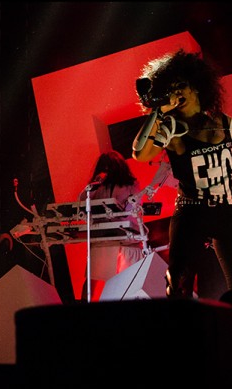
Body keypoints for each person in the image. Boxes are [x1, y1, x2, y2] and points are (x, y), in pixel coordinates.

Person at [132, 49, 232, 298]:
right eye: (171, 89)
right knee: (178, 284)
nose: (177, 94)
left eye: (181, 86)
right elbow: (140, 154)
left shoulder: (226, 123)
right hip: (192, 212)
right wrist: (157, 110)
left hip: (228, 209)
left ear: (197, 87)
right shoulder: (172, 128)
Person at [80, 150, 144, 301]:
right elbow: (82, 204)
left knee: (126, 283)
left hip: (125, 240)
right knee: (93, 281)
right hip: (105, 240)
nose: (107, 171)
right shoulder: (97, 187)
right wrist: (93, 185)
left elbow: (133, 209)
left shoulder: (130, 184)